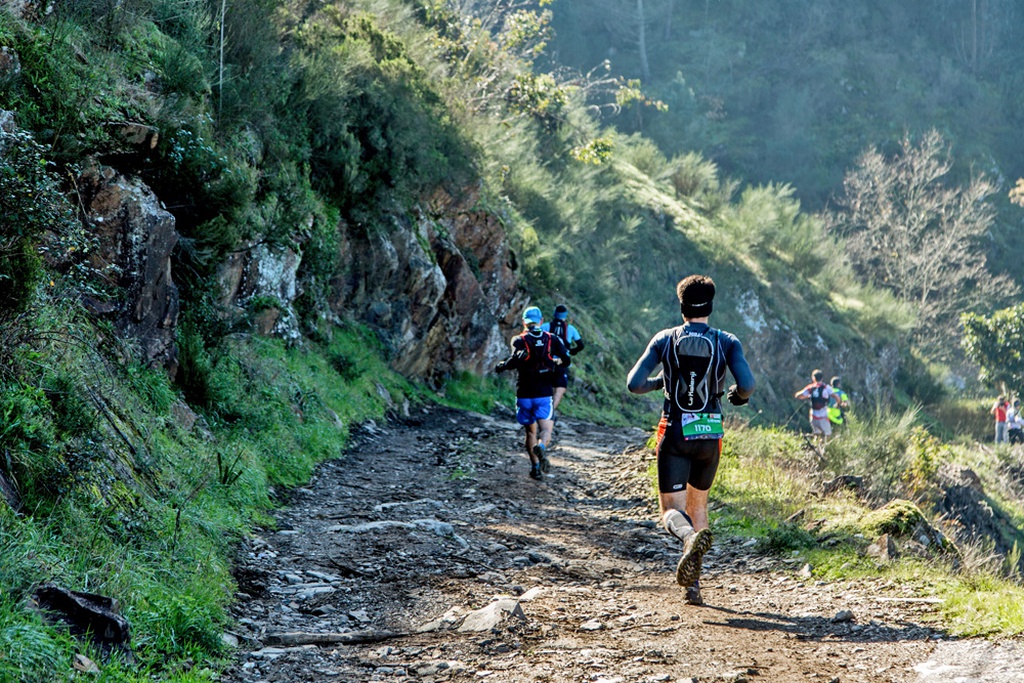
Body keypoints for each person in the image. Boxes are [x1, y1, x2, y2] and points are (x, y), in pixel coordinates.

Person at [627, 275, 755, 606]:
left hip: (675, 431)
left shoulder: (664, 339)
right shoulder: (727, 341)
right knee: (698, 505)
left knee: (672, 510)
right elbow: (747, 385)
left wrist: (661, 384)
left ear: (681, 307)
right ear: (710, 307)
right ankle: (694, 585)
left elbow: (634, 383)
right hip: (710, 435)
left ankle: (688, 540)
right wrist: (737, 397)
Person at [496, 306, 571, 480]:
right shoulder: (552, 339)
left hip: (524, 394)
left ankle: (535, 467)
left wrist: (501, 365)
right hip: (544, 394)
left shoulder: (518, 340)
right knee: (545, 430)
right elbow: (567, 360)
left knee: (530, 432)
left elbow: (513, 362)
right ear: (541, 321)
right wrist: (556, 361)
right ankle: (542, 447)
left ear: (524, 322)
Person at [541, 304, 585, 413]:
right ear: (565, 316)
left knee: (546, 386)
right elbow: (581, 345)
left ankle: (540, 411)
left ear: (554, 315)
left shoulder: (546, 326)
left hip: (546, 361)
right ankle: (550, 412)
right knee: (560, 388)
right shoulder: (570, 329)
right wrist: (572, 351)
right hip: (562, 362)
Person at [795, 370, 833, 445]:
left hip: (813, 416)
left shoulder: (810, 388)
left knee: (817, 435)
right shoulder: (826, 387)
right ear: (822, 378)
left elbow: (798, 395)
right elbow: (835, 396)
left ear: (813, 378)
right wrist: (839, 403)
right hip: (823, 416)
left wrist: (806, 396)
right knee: (827, 435)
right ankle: (824, 449)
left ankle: (815, 448)